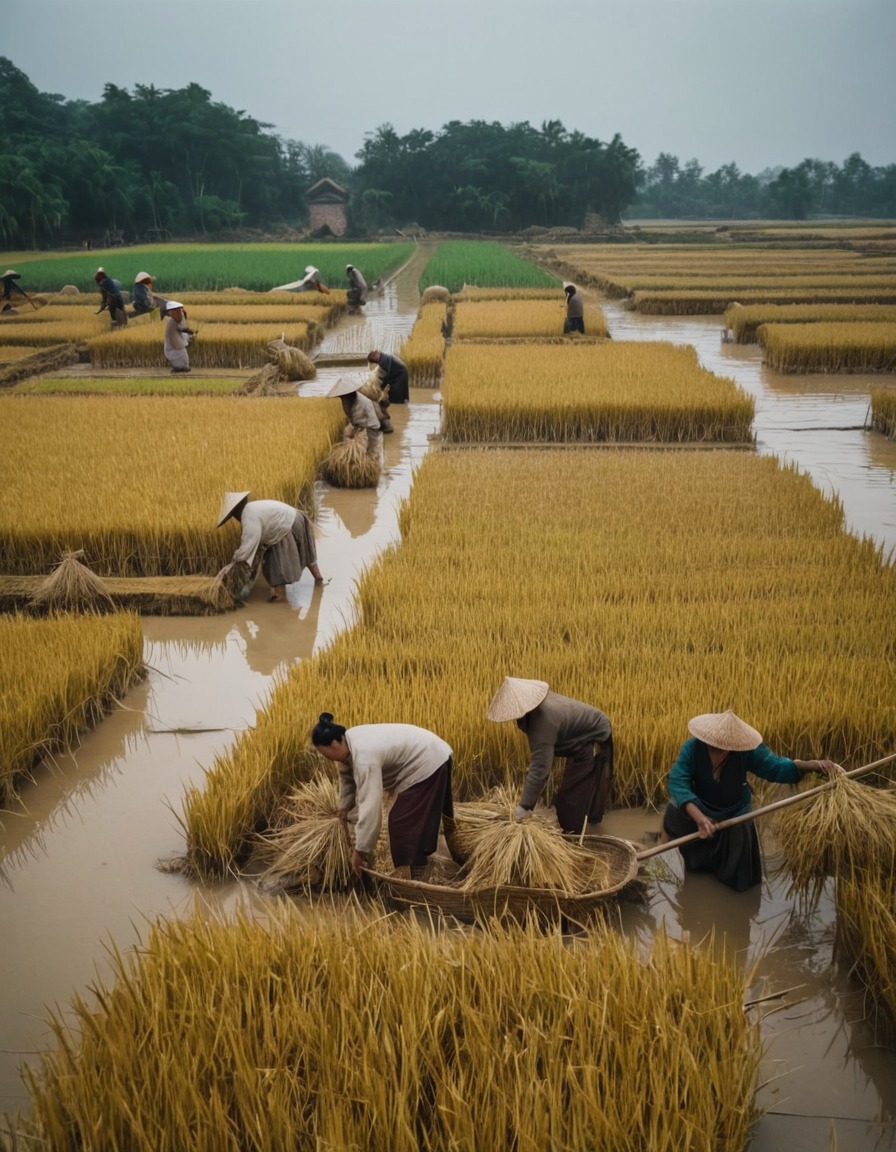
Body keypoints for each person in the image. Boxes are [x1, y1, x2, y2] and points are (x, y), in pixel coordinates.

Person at [662, 709, 844, 892]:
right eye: (714, 747)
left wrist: (813, 765)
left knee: (738, 876)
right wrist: (699, 817)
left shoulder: (746, 751)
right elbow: (678, 782)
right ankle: (699, 871)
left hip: (734, 811)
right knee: (675, 811)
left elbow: (775, 767)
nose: (719, 752)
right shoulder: (692, 748)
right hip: (701, 806)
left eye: (724, 748)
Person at [311, 712, 457, 878]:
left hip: (426, 761)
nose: (327, 758)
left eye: (325, 754)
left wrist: (360, 851)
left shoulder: (364, 757)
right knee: (411, 821)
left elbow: (370, 806)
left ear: (335, 744)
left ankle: (414, 875)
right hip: (429, 753)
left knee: (402, 822)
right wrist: (344, 808)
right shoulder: (349, 741)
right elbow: (348, 779)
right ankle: (420, 866)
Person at [486, 677, 613, 833]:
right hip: (580, 738)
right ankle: (577, 829)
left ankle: (574, 840)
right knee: (571, 794)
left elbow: (540, 767)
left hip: (592, 738)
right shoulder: (536, 709)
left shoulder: (542, 721)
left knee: (571, 801)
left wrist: (524, 807)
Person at [215, 491, 323, 602]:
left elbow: (247, 547)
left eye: (233, 515)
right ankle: (319, 580)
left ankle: (277, 595)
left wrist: (232, 564)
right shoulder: (252, 508)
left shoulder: (248, 517)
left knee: (272, 563)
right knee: (307, 552)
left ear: (236, 512)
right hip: (296, 517)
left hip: (287, 524)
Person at [327, 377, 385, 454]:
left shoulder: (366, 403)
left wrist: (362, 433)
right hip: (360, 428)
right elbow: (352, 419)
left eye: (344, 396)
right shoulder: (348, 401)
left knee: (373, 456)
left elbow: (375, 425)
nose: (343, 399)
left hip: (372, 432)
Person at [163, 301, 194, 373]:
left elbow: (182, 329)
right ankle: (180, 368)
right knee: (179, 357)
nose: (180, 312)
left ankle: (183, 367)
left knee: (183, 356)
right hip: (174, 346)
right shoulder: (173, 321)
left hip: (176, 345)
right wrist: (190, 331)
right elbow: (183, 328)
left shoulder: (174, 320)